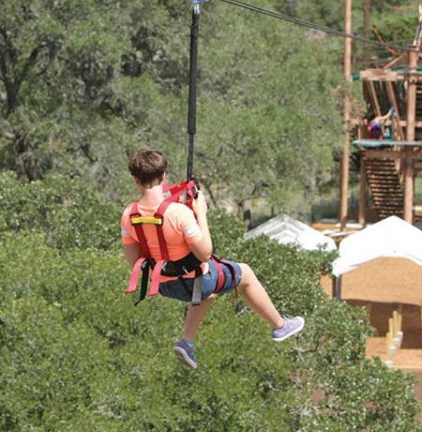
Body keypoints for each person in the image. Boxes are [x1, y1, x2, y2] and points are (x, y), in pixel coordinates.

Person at [120, 148, 304, 369]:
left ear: (135, 180)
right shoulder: (179, 213)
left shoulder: (129, 214)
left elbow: (134, 261)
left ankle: (187, 342)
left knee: (210, 290)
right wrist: (201, 214)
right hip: (194, 281)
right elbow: (205, 253)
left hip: (164, 286)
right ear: (163, 176)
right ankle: (280, 325)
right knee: (244, 272)